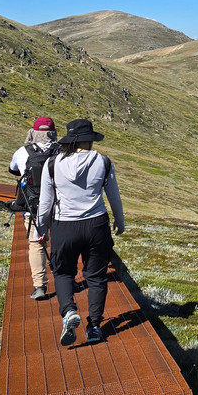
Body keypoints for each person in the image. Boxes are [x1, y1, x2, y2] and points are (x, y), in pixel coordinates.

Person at [36, 118, 125, 346]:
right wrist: (120, 221)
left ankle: (68, 311)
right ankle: (94, 326)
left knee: (63, 272)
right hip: (96, 225)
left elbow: (45, 202)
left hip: (64, 225)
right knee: (96, 277)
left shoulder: (53, 164)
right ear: (90, 140)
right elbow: (113, 196)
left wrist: (41, 227)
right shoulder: (103, 162)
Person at [9, 116, 58, 300]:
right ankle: (63, 278)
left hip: (33, 207)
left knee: (36, 244)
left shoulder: (23, 152)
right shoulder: (60, 152)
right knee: (58, 240)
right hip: (58, 206)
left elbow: (12, 169)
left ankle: (39, 286)